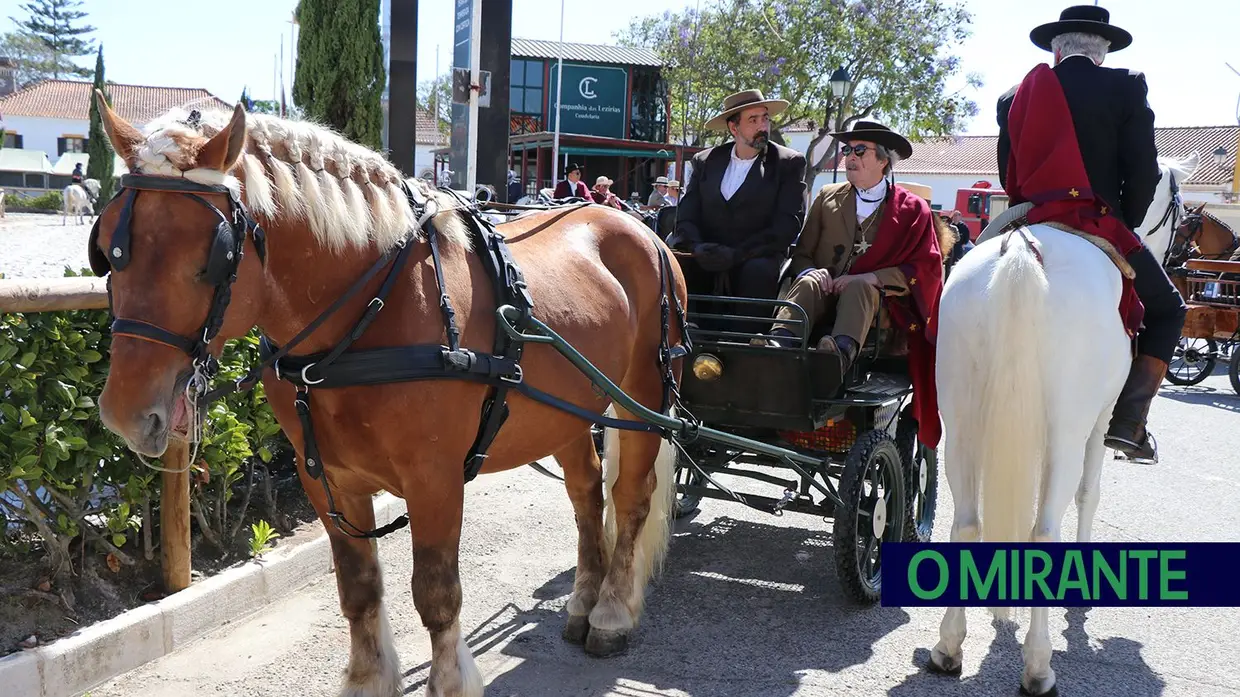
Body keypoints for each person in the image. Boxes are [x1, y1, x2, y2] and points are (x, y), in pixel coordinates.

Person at [997, 4, 1186, 463]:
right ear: (1102, 51)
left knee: (962, 276)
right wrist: (1127, 223)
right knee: (1169, 311)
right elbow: (1143, 172)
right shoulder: (1126, 85)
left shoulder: (1014, 95)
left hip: (1030, 217)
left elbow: (1008, 173)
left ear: (1056, 50)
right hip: (1099, 221)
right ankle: (1128, 422)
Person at [768, 122, 943, 385]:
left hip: (876, 305)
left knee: (859, 287)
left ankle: (836, 358)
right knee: (807, 281)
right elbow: (802, 254)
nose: (849, 157)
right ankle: (776, 346)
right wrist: (812, 271)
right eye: (847, 150)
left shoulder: (912, 209)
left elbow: (924, 267)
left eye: (860, 150)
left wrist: (873, 277)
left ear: (883, 159)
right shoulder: (827, 197)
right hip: (823, 296)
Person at [668, 89, 807, 305]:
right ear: (734, 128)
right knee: (675, 263)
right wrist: (697, 248)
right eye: (753, 120)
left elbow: (787, 225)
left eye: (765, 118)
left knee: (757, 271)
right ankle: (681, 333)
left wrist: (738, 254)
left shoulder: (787, 163)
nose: (763, 126)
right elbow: (686, 216)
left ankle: (748, 337)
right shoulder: (706, 161)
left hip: (757, 257)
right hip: (707, 255)